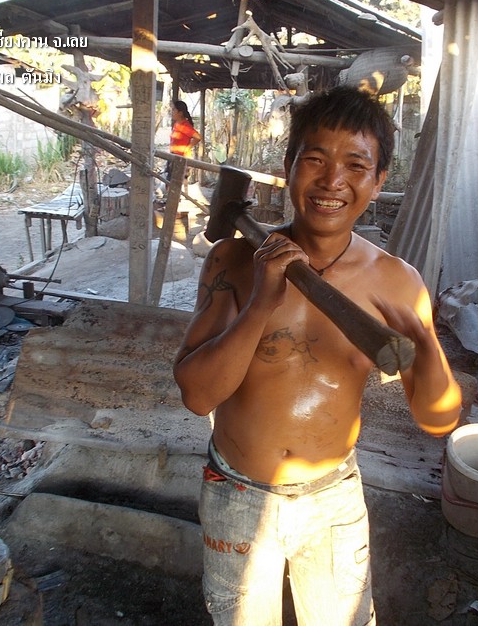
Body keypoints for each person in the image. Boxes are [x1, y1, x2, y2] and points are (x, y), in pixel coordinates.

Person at [173, 86, 462, 625]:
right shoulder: (233, 261)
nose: (332, 181)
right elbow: (197, 395)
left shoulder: (397, 283)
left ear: (378, 180)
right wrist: (261, 302)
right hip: (237, 492)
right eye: (315, 160)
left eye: (356, 165)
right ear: (288, 168)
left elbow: (439, 420)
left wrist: (425, 344)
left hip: (332, 498)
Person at [167, 100, 201, 183]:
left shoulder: (185, 126)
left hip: (180, 158)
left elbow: (198, 137)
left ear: (180, 113)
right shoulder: (177, 124)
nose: (172, 112)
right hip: (173, 156)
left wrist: (188, 148)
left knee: (174, 183)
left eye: (174, 110)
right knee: (169, 181)